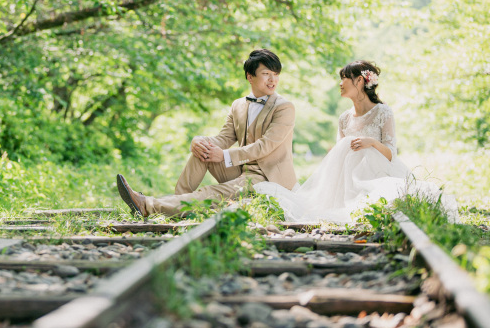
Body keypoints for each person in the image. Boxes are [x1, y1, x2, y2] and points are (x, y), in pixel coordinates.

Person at [253, 60, 457, 223]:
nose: (340, 83)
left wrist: (372, 143)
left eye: (344, 78)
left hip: (376, 173)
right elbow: (336, 159)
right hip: (345, 182)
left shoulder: (382, 112)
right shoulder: (344, 118)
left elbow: (391, 155)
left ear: (360, 81)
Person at [116, 49, 297, 217]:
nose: (272, 80)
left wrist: (224, 155)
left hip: (267, 178)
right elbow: (224, 138)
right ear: (250, 77)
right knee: (203, 150)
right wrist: (199, 140)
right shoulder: (239, 105)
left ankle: (148, 206)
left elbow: (264, 146)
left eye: (275, 75)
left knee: (210, 192)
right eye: (266, 74)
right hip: (242, 171)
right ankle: (177, 203)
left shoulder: (284, 107)